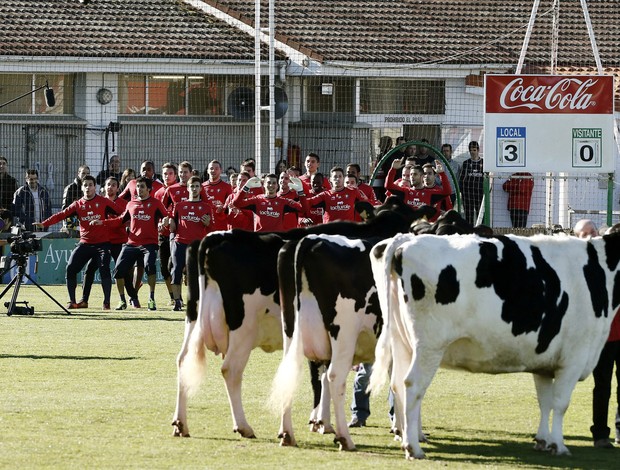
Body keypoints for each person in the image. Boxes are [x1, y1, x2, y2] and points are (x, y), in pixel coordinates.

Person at [34, 175, 119, 310]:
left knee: (104, 270)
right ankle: (72, 301)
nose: (88, 187)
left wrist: (106, 222)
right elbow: (61, 215)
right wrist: (44, 223)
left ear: (95, 187)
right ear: (81, 187)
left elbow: (123, 215)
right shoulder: (78, 204)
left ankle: (106, 303)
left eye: (90, 185)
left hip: (102, 245)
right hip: (85, 243)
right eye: (85, 185)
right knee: (71, 268)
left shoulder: (103, 202)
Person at [95, 176, 168, 311]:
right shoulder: (131, 204)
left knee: (150, 267)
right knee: (118, 271)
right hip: (131, 244)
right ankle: (122, 300)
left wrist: (165, 222)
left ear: (149, 189)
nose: (138, 189)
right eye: (137, 187)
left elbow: (166, 216)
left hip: (149, 244)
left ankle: (151, 299)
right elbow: (120, 220)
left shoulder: (156, 203)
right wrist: (103, 222)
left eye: (142, 187)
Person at [578, 222, 620, 448]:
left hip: (611, 336)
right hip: (604, 337)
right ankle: (600, 434)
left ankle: (612, 433)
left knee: (603, 386)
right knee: (602, 386)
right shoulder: (595, 267)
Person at [80, 176, 131, 308]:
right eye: (108, 184)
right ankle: (84, 300)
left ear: (118, 188)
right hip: (103, 242)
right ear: (104, 187)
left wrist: (122, 224)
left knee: (123, 271)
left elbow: (126, 219)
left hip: (119, 241)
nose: (111, 187)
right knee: (90, 269)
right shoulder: (100, 201)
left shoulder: (123, 204)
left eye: (114, 185)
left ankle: (132, 298)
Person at [165, 176, 213, 311]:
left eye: (197, 186)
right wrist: (168, 222)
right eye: (192, 186)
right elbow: (173, 227)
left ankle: (197, 300)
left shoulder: (206, 207)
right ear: (187, 188)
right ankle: (177, 301)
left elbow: (210, 227)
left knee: (198, 273)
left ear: (201, 188)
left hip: (197, 245)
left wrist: (207, 223)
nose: (194, 189)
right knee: (176, 271)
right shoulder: (179, 206)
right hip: (180, 243)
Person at [232, 174, 305, 232]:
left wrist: (301, 192)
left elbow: (303, 209)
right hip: (260, 241)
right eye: (269, 182)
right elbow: (236, 203)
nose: (271, 185)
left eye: (274, 183)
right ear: (264, 184)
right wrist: (246, 187)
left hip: (275, 241)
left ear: (277, 186)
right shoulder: (257, 200)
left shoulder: (284, 202)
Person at [202, 159, 233, 231]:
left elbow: (231, 205)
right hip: (206, 225)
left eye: (216, 168)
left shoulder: (227, 187)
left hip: (222, 225)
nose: (213, 171)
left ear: (221, 170)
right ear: (207, 171)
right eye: (211, 168)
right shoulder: (202, 187)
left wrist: (224, 207)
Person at [459, 141, 484, 225]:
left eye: (474, 150)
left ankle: (481, 231)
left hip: (479, 194)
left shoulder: (483, 163)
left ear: (478, 150)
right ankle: (469, 232)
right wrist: (462, 192)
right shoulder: (466, 163)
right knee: (468, 215)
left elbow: (486, 179)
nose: (473, 152)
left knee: (480, 215)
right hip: (468, 194)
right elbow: (461, 179)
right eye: (471, 150)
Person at [371, 136, 395, 203]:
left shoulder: (389, 155)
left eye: (381, 143)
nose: (379, 146)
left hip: (382, 182)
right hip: (377, 181)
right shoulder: (381, 155)